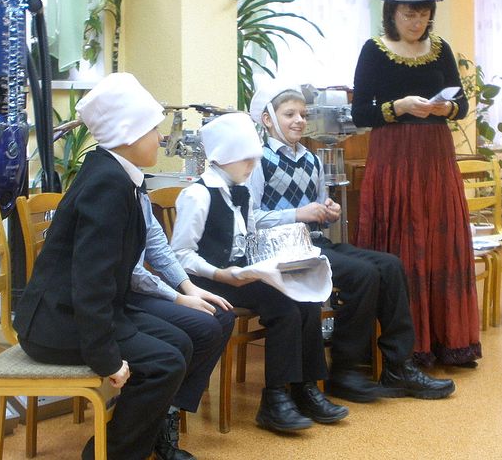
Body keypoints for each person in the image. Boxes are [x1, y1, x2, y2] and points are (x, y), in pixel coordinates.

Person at [13, 73, 215, 460]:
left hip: (83, 313)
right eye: (152, 129)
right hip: (58, 325)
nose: (160, 138)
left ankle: (132, 443)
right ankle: (110, 454)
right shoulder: (107, 185)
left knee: (181, 343)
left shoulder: (115, 173)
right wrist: (105, 357)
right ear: (127, 133)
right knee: (165, 363)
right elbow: (91, 282)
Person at [247, 81, 456, 402]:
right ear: (267, 119)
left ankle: (398, 365)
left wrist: (328, 211)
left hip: (315, 243)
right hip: (283, 250)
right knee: (363, 274)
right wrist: (297, 214)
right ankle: (346, 370)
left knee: (390, 265)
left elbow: (319, 209)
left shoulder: (312, 159)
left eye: (303, 114)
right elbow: (250, 219)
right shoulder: (257, 161)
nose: (299, 120)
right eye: (289, 114)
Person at [171, 112, 349, 433]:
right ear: (224, 156)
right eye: (246, 159)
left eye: (255, 158)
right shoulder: (198, 194)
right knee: (283, 308)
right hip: (206, 280)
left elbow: (249, 237)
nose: (253, 165)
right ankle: (275, 398)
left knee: (305, 298)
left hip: (240, 273)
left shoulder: (241, 190)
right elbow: (180, 255)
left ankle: (305, 387)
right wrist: (221, 274)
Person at [350, 0, 481, 368]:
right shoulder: (374, 50)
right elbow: (361, 113)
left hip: (436, 155)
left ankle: (446, 339)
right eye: (409, 14)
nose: (416, 22)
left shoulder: (441, 49)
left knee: (440, 239)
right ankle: (402, 346)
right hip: (393, 157)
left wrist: (447, 108)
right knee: (403, 240)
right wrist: (400, 107)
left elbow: (462, 104)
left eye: (423, 14)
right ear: (392, 13)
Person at [125, 178, 235, 459]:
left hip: (141, 289)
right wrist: (177, 297)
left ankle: (168, 409)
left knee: (222, 316)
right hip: (122, 296)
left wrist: (188, 287)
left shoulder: (137, 186)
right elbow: (132, 273)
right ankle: (153, 411)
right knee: (204, 327)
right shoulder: (113, 187)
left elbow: (157, 244)